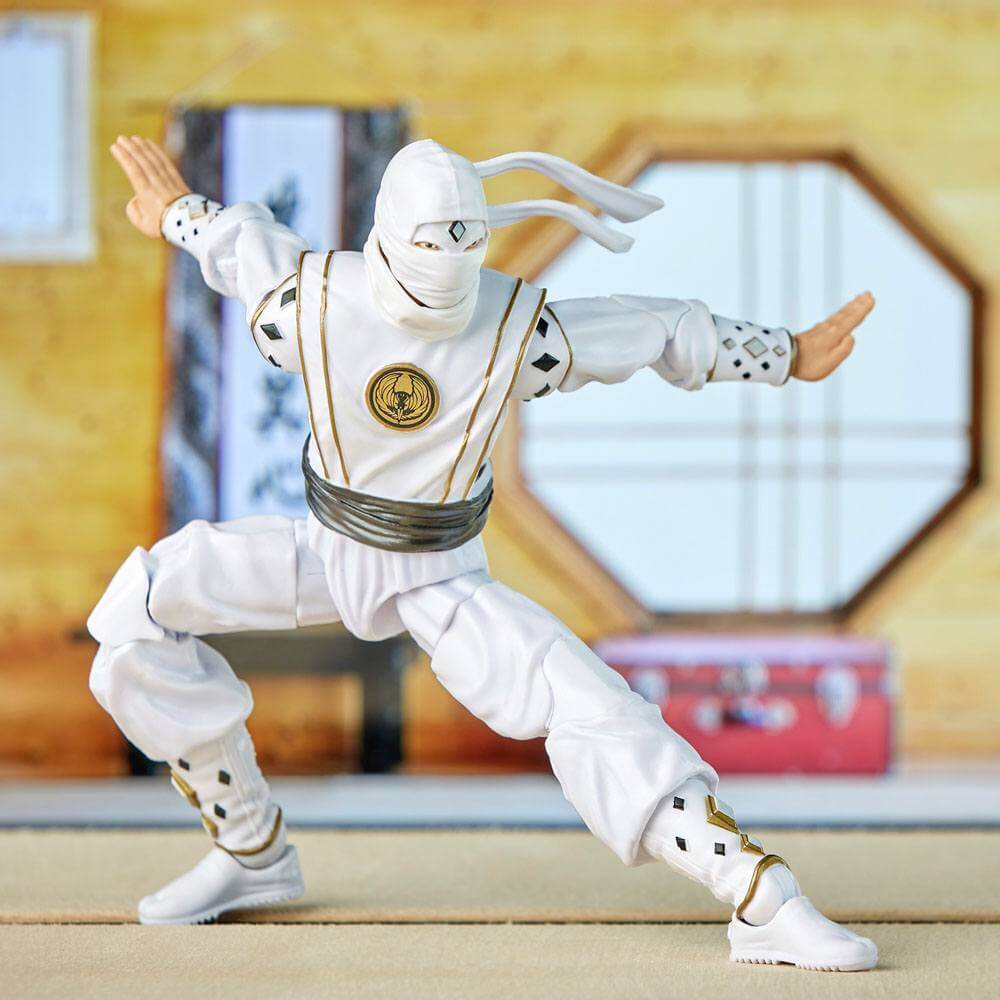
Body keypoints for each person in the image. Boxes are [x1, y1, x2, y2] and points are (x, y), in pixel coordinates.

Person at [91, 134, 876, 971]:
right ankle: (249, 846)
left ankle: (760, 895)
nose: (443, 271)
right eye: (428, 247)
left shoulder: (510, 331)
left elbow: (651, 329)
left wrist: (781, 354)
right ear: (390, 237)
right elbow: (240, 246)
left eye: (461, 247)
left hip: (440, 578)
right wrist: (178, 212)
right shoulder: (311, 302)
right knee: (137, 609)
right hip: (325, 548)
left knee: (592, 706)